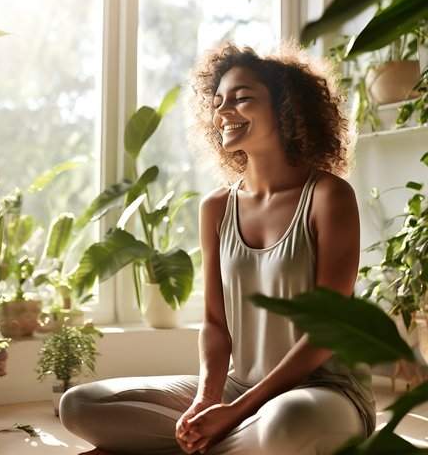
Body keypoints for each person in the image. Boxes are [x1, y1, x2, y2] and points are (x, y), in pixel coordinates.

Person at [59, 41, 376, 455]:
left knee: (286, 424)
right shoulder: (216, 207)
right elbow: (214, 322)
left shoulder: (327, 196)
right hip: (238, 385)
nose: (224, 111)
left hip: (323, 393)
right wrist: (208, 400)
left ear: (287, 109)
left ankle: (213, 441)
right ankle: (226, 441)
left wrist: (237, 409)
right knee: (81, 404)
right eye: (219, 100)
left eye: (242, 99)